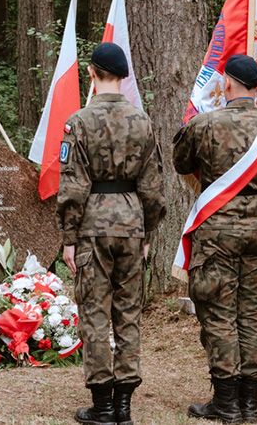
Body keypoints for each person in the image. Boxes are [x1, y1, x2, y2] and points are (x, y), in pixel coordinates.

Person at [173, 54, 257, 424]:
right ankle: (250, 404)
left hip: (217, 234)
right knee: (253, 314)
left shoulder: (205, 124)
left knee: (218, 313)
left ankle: (226, 402)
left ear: (227, 83)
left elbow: (182, 163)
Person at [58, 42, 167, 425]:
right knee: (129, 313)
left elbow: (72, 188)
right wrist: (148, 230)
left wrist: (69, 238)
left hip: (92, 227)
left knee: (94, 313)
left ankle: (103, 405)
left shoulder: (79, 122)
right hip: (132, 223)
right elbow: (153, 186)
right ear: (123, 77)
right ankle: (124, 405)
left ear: (91, 73)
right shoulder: (143, 121)